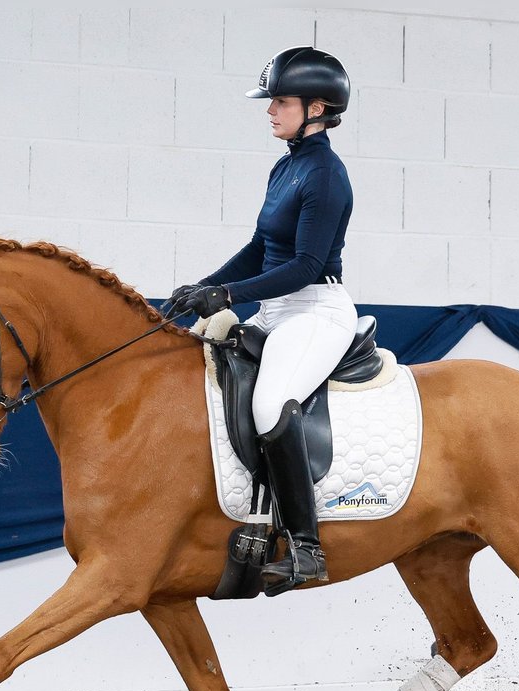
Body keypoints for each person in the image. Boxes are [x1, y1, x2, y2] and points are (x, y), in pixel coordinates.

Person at [170, 46, 356, 596]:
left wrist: (228, 293)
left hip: (315, 311)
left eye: (280, 101)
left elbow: (304, 266)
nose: (270, 110)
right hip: (276, 308)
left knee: (272, 403)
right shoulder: (287, 165)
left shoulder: (326, 175)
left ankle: (306, 545)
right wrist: (205, 286)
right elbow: (261, 248)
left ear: (316, 106)